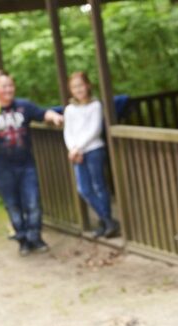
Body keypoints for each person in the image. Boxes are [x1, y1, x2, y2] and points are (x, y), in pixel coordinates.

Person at [0, 70, 64, 256]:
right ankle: (23, 240)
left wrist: (54, 117)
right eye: (4, 86)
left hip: (26, 165)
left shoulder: (23, 106)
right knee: (13, 205)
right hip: (3, 169)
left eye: (10, 85)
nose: (8, 89)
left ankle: (35, 238)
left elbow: (43, 112)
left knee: (32, 202)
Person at [63, 71, 120, 238]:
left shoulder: (95, 105)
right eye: (74, 87)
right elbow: (68, 132)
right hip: (76, 153)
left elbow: (94, 130)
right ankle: (108, 220)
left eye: (81, 85)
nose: (78, 89)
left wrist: (78, 148)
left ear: (87, 86)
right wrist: (72, 149)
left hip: (94, 150)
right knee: (84, 189)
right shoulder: (69, 109)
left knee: (99, 186)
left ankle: (105, 223)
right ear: (70, 90)